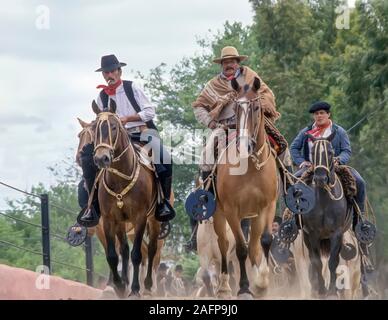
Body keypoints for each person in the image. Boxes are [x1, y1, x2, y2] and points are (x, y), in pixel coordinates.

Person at [185, 46, 291, 251]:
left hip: (253, 123)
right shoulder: (212, 85)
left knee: (282, 144)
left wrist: (259, 108)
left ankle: (289, 187)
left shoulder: (250, 76)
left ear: (238, 63)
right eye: (225, 62)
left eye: (232, 61)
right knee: (207, 151)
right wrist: (212, 123)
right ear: (221, 65)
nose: (229, 65)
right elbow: (199, 106)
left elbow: (267, 94)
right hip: (226, 128)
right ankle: (206, 192)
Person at [78, 54, 175, 226]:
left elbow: (150, 111)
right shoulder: (102, 96)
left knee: (164, 157)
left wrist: (127, 119)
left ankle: (163, 203)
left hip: (140, 132)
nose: (109, 75)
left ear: (119, 71)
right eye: (106, 72)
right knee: (87, 157)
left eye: (112, 71)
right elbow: (102, 119)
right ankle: (91, 207)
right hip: (112, 138)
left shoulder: (131, 88)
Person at [289, 101, 374, 269]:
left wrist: (338, 159)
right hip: (312, 169)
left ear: (328, 115)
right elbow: (294, 148)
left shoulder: (338, 131)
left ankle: (359, 219)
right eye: (316, 114)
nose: (319, 116)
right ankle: (292, 220)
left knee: (359, 182)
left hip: (334, 168)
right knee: (292, 185)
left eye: (322, 113)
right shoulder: (306, 132)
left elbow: (346, 151)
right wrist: (302, 163)